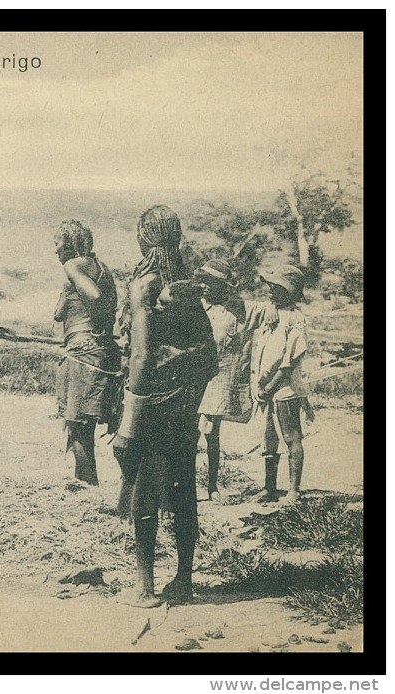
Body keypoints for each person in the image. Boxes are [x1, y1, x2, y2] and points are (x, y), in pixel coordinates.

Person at [113, 205, 217, 608]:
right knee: (182, 486)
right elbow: (208, 353)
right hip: (184, 402)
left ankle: (145, 589)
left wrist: (129, 420)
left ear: (143, 237)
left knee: (144, 489)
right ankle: (184, 581)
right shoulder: (186, 285)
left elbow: (140, 356)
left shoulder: (145, 285)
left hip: (153, 402)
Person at [193, 259, 277, 502]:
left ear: (224, 286)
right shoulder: (194, 307)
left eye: (212, 282)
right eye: (203, 280)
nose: (205, 286)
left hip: (217, 381)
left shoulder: (239, 308)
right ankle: (183, 486)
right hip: (191, 380)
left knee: (211, 433)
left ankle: (212, 487)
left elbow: (274, 309)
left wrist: (272, 304)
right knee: (187, 434)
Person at [52, 220, 121, 485]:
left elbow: (93, 296)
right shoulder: (102, 267)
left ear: (69, 243)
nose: (55, 251)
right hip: (101, 349)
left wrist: (73, 282)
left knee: (78, 424)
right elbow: (59, 314)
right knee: (84, 425)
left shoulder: (74, 265)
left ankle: (87, 484)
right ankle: (85, 481)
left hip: (83, 349)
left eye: (57, 244)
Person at [250, 264, 312, 505]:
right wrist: (262, 387)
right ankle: (269, 487)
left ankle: (294, 490)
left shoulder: (295, 318)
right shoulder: (271, 314)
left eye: (276, 288)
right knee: (268, 438)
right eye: (270, 287)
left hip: (284, 388)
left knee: (291, 436)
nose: (270, 292)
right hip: (265, 389)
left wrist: (271, 386)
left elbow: (289, 361)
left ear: (290, 291)